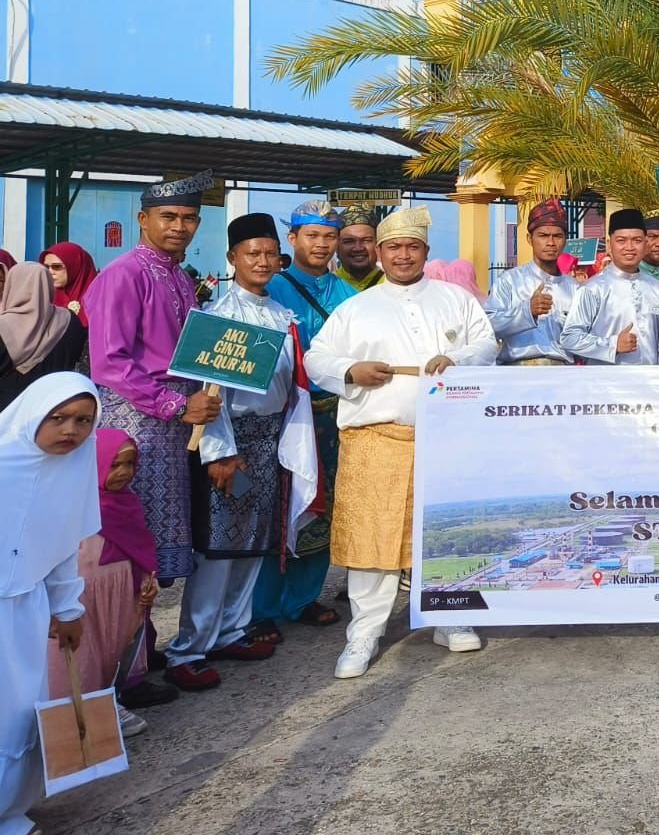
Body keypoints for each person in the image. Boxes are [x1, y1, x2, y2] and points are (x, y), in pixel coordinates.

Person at [304, 206, 499, 679]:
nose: (403, 255)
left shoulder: (456, 299)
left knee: (444, 530)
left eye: (413, 247)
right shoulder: (356, 309)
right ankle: (364, 633)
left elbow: (486, 344)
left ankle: (449, 616)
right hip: (376, 439)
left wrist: (457, 358)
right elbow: (316, 359)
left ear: (426, 252)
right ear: (379, 252)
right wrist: (350, 370)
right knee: (374, 537)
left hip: (445, 439)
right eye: (393, 247)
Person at [164, 213, 313, 689]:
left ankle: (232, 630)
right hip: (233, 445)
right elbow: (209, 393)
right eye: (253, 253)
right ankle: (189, 648)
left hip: (270, 443)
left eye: (270, 253)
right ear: (233, 258)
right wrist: (220, 453)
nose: (263, 262)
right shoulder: (218, 316)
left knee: (253, 542)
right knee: (220, 548)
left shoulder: (281, 314)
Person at [85, 171, 222, 585]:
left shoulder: (179, 276)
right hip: (135, 421)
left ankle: (141, 626)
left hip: (173, 423)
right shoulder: (124, 274)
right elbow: (110, 362)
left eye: (189, 218)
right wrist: (176, 405)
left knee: (157, 542)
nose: (179, 226)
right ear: (143, 219)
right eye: (168, 216)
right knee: (126, 539)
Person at [0, 373, 101, 835]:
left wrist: (68, 609)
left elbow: (62, 547)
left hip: (25, 611)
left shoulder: (74, 469)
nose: (70, 430)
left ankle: (9, 810)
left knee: (19, 714)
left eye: (83, 420)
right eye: (58, 417)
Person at [258, 200, 359, 633]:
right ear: (293, 238)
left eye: (329, 236)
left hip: (334, 414)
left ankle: (303, 598)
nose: (321, 244)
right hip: (284, 415)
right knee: (278, 507)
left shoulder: (351, 297)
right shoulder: (270, 289)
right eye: (312, 235)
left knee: (324, 506)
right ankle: (261, 608)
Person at [46, 429, 161, 737]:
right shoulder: (73, 506)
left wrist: (147, 580)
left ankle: (105, 702)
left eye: (130, 463)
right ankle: (72, 720)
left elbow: (139, 549)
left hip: (119, 594)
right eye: (114, 464)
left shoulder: (127, 503)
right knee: (78, 657)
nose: (124, 472)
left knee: (112, 652)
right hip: (81, 597)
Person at [560, 209, 659, 366]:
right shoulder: (593, 288)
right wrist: (612, 345)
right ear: (610, 245)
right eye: (621, 240)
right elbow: (569, 338)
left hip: (649, 378)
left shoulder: (656, 287)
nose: (629, 247)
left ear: (645, 244)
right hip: (607, 379)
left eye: (637, 240)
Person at [485, 197, 578, 367]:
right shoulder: (509, 281)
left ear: (565, 240)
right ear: (529, 239)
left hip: (563, 374)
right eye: (543, 236)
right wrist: (527, 311)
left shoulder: (575, 289)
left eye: (557, 236)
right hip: (517, 372)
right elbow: (488, 327)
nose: (551, 243)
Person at [0, 263, 88, 409]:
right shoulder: (70, 319)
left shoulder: (3, 326)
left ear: (11, 285)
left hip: (9, 409)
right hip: (54, 404)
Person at [41, 242, 96, 327]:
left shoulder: (100, 299)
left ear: (75, 267)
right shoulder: (44, 297)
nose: (50, 272)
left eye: (56, 267)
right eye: (46, 267)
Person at [333, 204, 384, 292]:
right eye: (349, 241)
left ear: (378, 245)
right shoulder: (324, 288)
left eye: (366, 240)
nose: (358, 248)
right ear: (336, 247)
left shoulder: (394, 285)